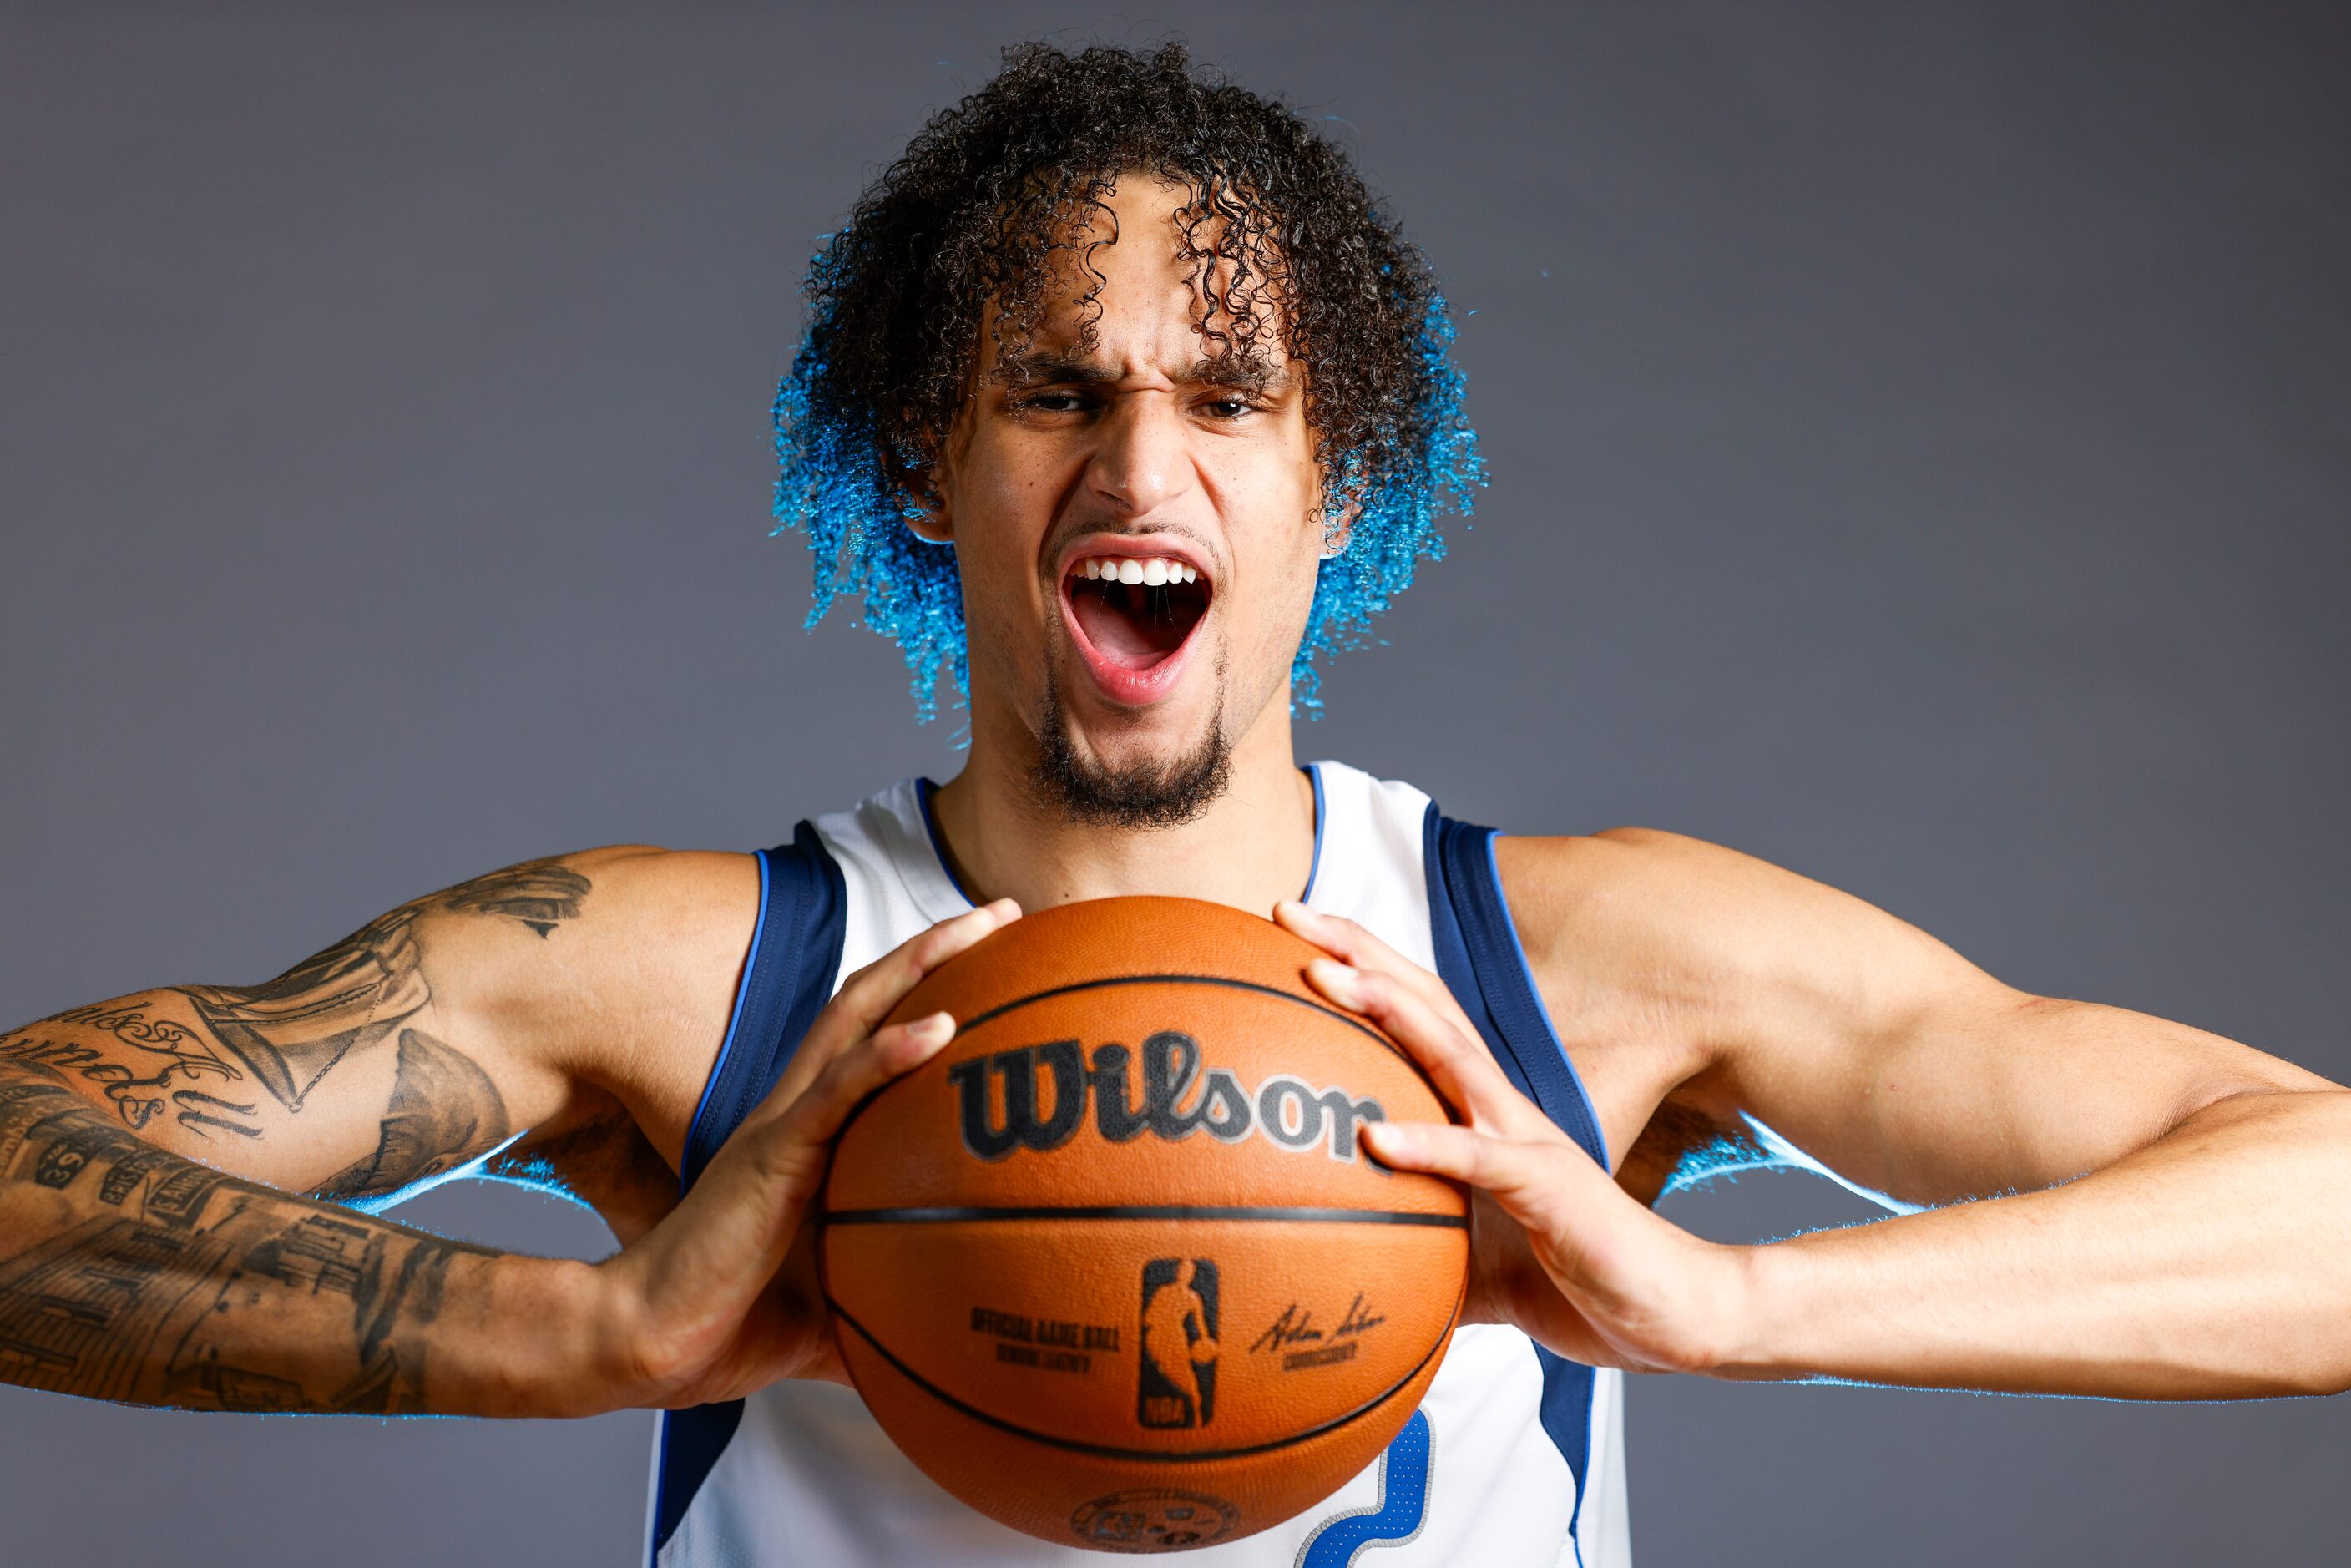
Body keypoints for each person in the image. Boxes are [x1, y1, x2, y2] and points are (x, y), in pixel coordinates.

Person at [2, 40, 2343, 1568]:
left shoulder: (1592, 974)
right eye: (1054, 390)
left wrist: (1721, 1305)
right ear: (932, 463)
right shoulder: (712, 985)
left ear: (1338, 487)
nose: (1145, 464)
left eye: (1233, 398)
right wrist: (593, 1341)